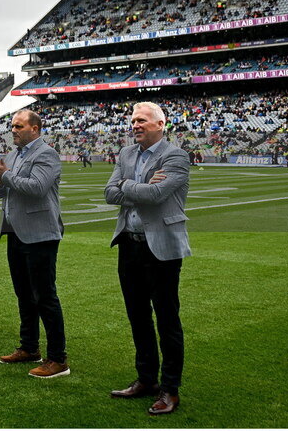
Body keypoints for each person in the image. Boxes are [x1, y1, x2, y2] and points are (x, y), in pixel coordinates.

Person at [104, 101, 191, 416]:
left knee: (167, 319)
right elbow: (109, 193)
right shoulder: (126, 153)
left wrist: (126, 186)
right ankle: (146, 379)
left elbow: (156, 195)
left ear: (160, 124)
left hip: (162, 246)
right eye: (133, 120)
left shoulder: (176, 156)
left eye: (141, 120)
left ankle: (170, 389)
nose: (135, 125)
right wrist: (133, 187)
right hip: (129, 243)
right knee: (137, 316)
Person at [0, 109, 68, 378]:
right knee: (24, 295)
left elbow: (37, 188)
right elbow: (2, 191)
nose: (14, 130)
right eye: (12, 126)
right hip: (15, 231)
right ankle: (29, 347)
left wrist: (5, 175)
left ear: (35, 128)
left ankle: (58, 358)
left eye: (19, 126)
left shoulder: (46, 153)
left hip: (40, 233)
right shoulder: (12, 155)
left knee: (45, 296)